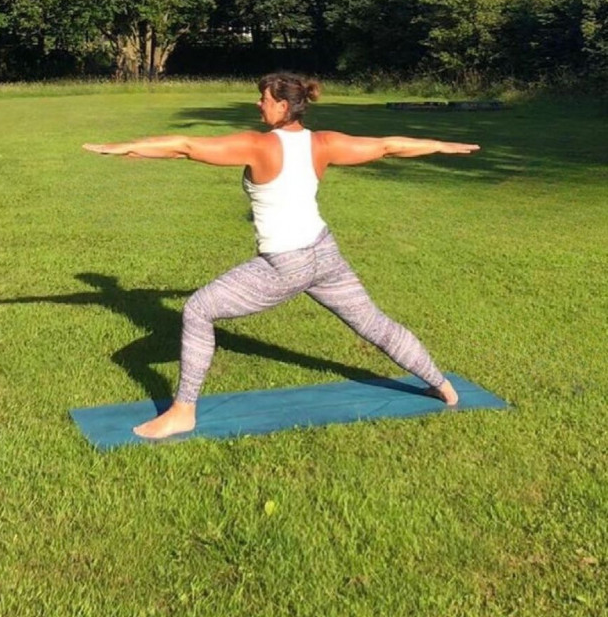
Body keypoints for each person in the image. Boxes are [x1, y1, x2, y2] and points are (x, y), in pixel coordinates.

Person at [83, 72, 480, 439]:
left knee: (199, 310)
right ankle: (443, 386)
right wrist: (442, 145)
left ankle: (183, 410)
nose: (259, 104)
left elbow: (187, 146)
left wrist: (123, 146)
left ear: (284, 106)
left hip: (285, 265)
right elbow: (388, 146)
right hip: (325, 256)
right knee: (376, 325)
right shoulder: (322, 143)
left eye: (264, 99)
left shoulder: (259, 145)